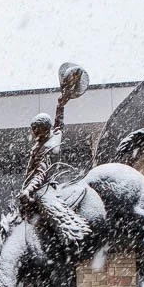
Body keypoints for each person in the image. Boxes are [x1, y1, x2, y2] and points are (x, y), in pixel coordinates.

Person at [18, 63, 89, 231]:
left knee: (48, 212)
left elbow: (41, 174)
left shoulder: (48, 146)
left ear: (43, 129)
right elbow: (59, 124)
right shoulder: (51, 136)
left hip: (45, 188)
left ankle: (69, 234)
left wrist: (29, 190)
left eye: (36, 130)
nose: (34, 133)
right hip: (37, 186)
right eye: (34, 130)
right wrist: (60, 105)